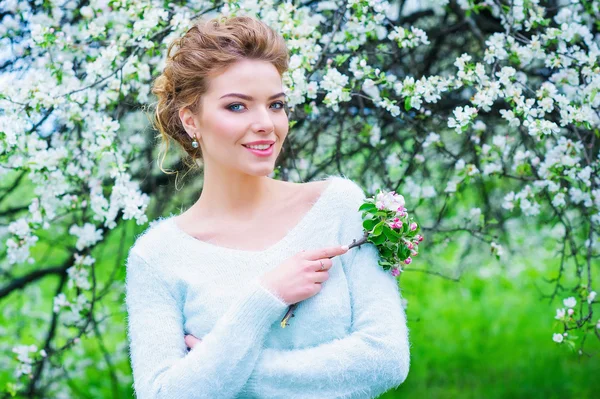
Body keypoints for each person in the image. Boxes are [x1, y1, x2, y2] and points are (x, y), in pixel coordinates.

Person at [124, 14, 410, 399]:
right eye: (237, 107)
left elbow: (386, 358)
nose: (266, 124)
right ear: (191, 120)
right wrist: (264, 297)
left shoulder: (338, 208)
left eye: (276, 105)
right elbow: (163, 394)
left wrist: (230, 370)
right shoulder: (157, 257)